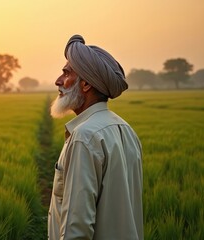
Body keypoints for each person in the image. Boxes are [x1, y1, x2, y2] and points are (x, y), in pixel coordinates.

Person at [48, 34, 143, 239]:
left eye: (66, 73)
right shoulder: (127, 130)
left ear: (86, 85)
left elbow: (77, 228)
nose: (58, 81)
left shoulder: (84, 137)